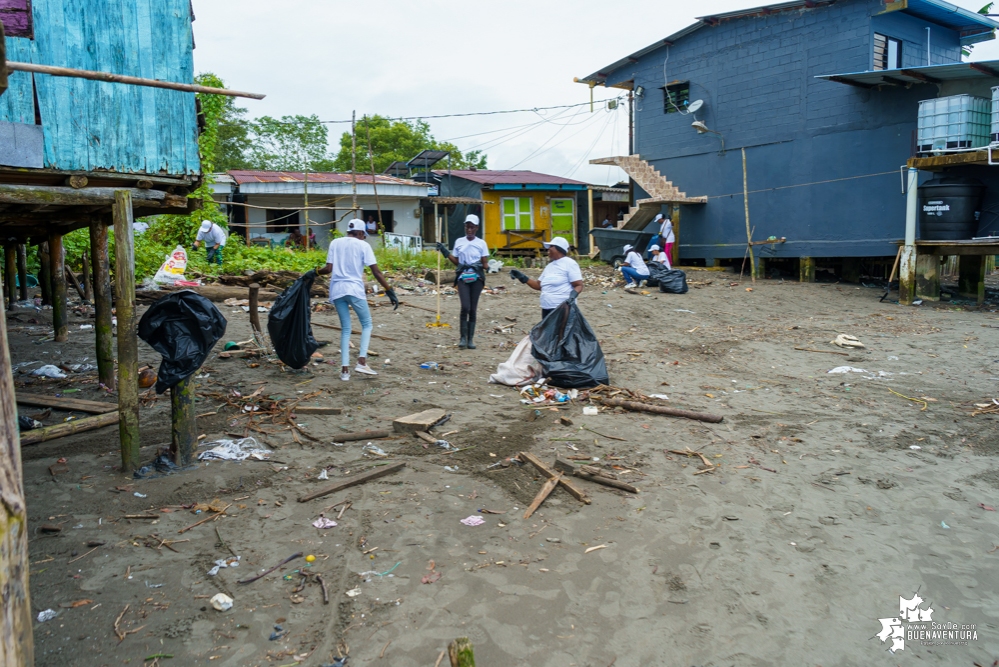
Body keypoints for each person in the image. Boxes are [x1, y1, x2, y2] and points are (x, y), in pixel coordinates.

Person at [316, 219, 398, 381]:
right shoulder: (363, 246)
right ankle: (361, 361)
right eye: (363, 235)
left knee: (346, 329)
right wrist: (389, 290)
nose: (363, 238)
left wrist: (314, 273)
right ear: (360, 233)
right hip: (353, 289)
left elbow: (328, 269)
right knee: (367, 324)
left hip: (337, 290)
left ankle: (345, 372)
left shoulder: (335, 243)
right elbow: (376, 272)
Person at [436, 214, 489, 349]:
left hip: (477, 277)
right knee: (465, 307)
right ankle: (462, 337)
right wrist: (445, 252)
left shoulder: (481, 243)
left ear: (476, 228)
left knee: (472, 309)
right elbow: (457, 262)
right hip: (462, 277)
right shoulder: (459, 241)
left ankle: (470, 339)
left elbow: (485, 264)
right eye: (467, 227)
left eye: (472, 227)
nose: (469, 230)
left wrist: (482, 266)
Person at [509, 236, 583, 320]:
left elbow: (578, 285)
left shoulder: (570, 264)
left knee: (561, 332)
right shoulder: (549, 266)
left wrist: (571, 297)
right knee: (548, 332)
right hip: (547, 307)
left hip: (562, 309)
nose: (548, 250)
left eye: (551, 247)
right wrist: (522, 277)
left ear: (558, 249)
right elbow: (538, 285)